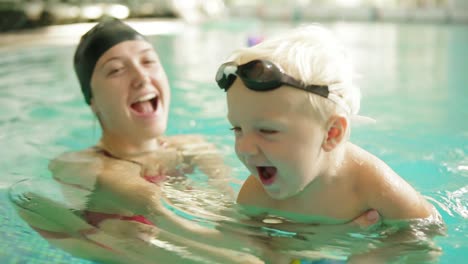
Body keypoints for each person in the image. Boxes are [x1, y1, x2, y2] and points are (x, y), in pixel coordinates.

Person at [12, 19, 381, 264]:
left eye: (148, 61)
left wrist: (318, 231)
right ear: (92, 101)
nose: (141, 77)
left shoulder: (193, 148)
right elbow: (149, 205)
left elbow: (233, 211)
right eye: (116, 70)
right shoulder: (81, 164)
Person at [215, 24, 442, 232]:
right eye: (237, 129)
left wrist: (374, 256)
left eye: (267, 131)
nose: (244, 148)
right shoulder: (256, 196)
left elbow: (428, 233)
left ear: (332, 133)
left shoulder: (373, 186)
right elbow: (249, 243)